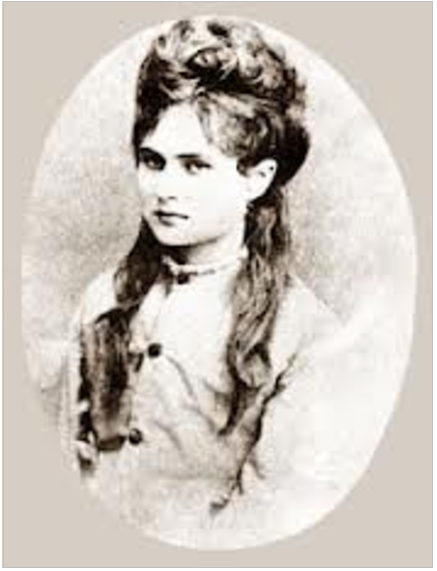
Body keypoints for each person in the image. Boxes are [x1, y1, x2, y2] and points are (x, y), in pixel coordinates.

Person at [60, 16, 353, 548]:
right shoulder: (105, 298)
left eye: (194, 166)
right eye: (153, 161)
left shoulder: (307, 337)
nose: (164, 189)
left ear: (257, 178)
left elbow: (274, 515)